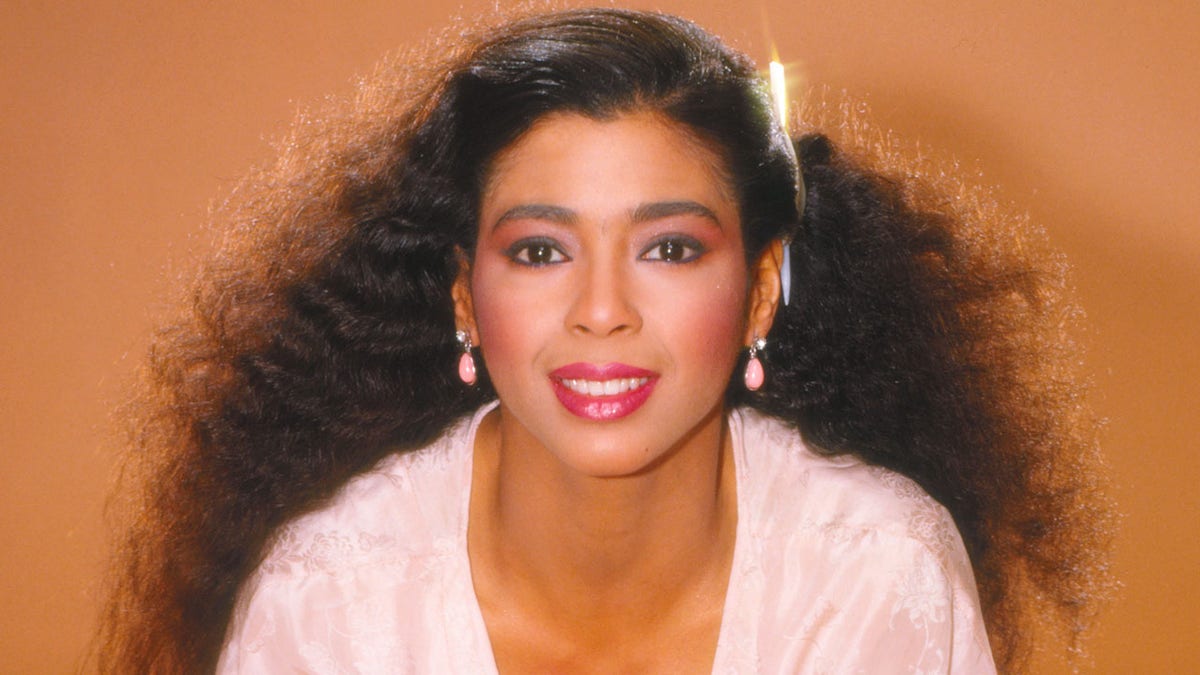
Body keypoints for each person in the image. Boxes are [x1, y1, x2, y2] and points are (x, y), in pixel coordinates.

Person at [94, 8, 1113, 673]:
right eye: (541, 252)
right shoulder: (329, 610)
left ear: (761, 292)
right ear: (462, 294)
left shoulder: (876, 577)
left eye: (669, 248)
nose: (602, 310)